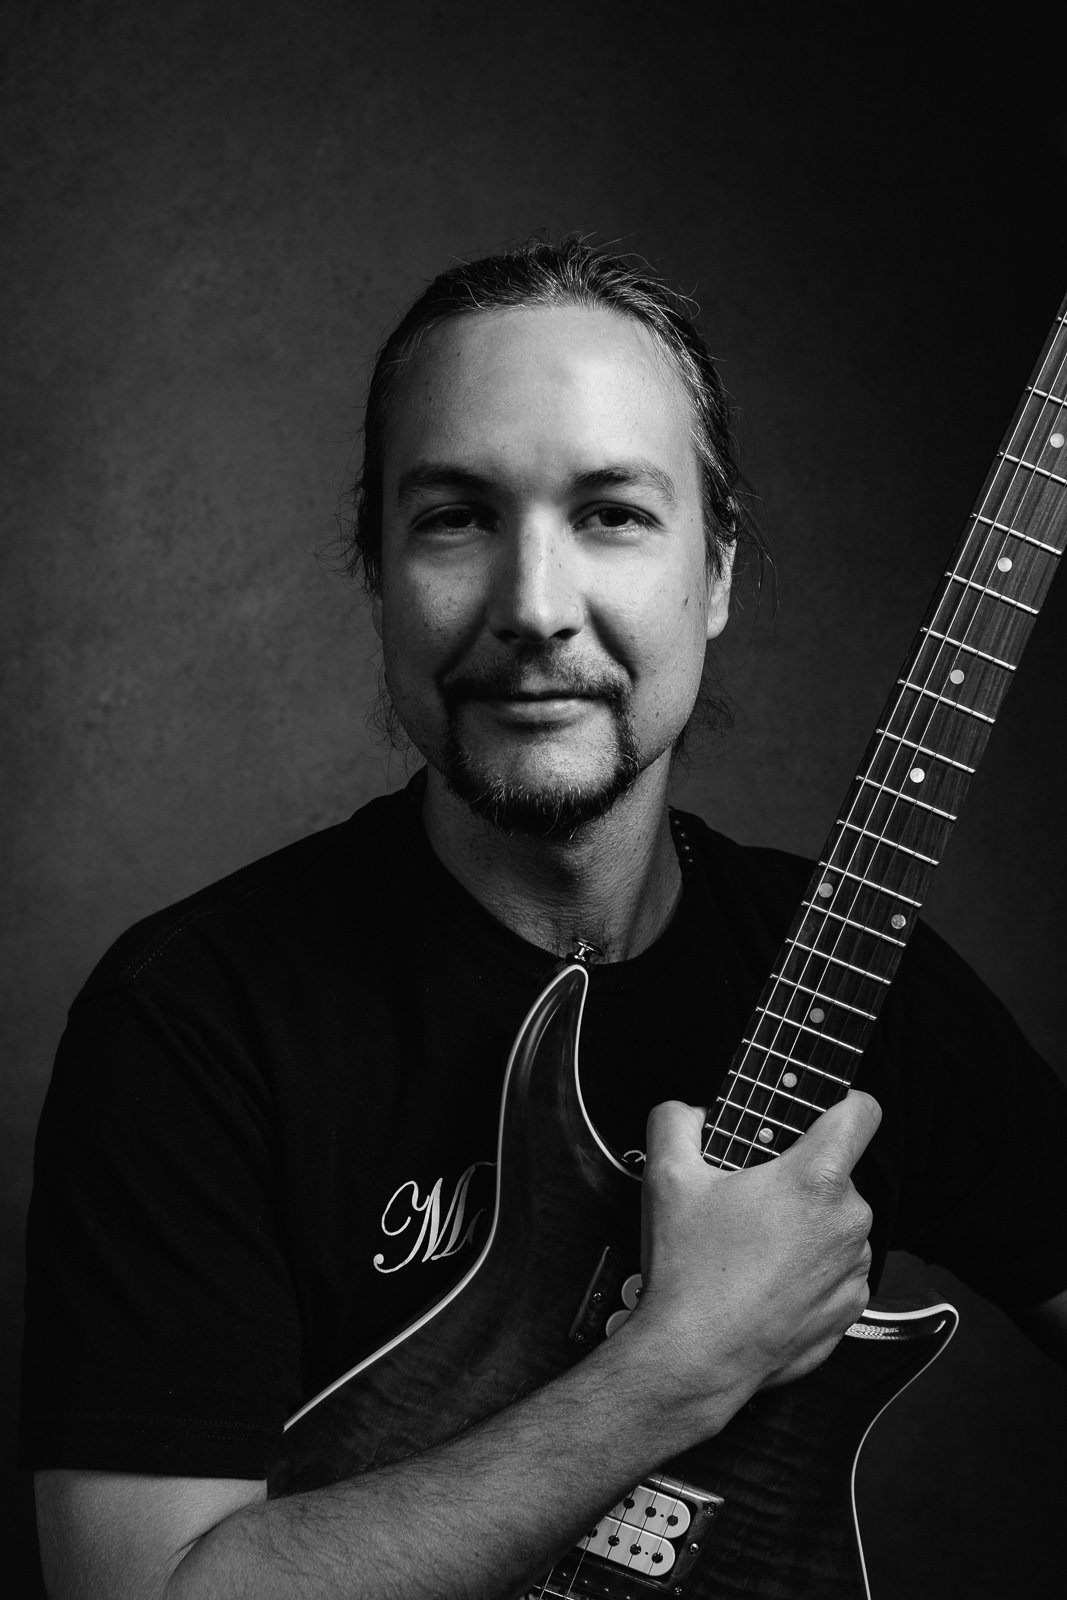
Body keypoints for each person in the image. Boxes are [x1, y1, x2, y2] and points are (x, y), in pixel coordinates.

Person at [21, 238, 1067, 1599]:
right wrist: (676, 1369)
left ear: (722, 570)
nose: (533, 608)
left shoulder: (856, 965)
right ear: (376, 571)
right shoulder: (191, 1017)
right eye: (456, 517)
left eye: (615, 514)